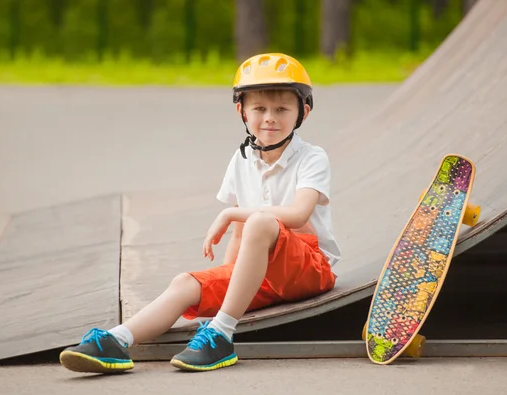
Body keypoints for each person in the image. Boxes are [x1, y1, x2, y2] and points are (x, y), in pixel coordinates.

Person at [59, 53, 341, 373]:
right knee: (185, 283)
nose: (269, 118)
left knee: (260, 221)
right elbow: (240, 237)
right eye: (259, 109)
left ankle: (220, 335)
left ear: (302, 112)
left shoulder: (312, 157)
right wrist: (226, 285)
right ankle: (117, 340)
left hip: (311, 268)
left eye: (281, 109)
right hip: (264, 274)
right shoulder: (241, 160)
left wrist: (230, 215)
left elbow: (299, 214)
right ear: (242, 112)